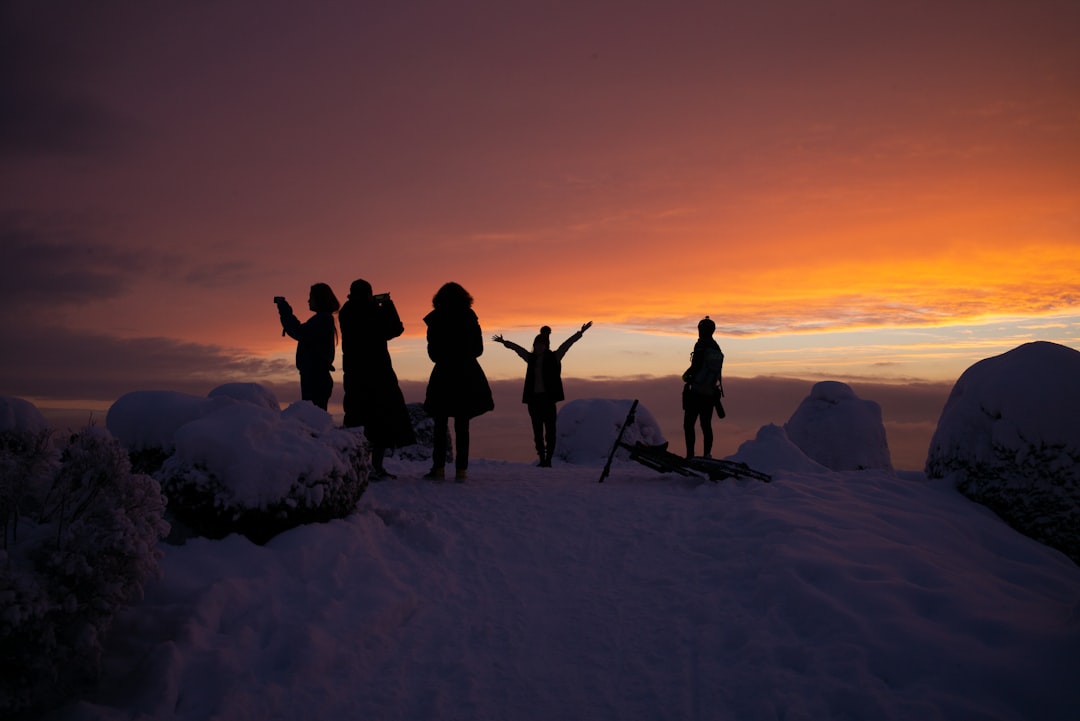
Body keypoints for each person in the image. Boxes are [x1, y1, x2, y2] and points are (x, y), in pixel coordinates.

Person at [338, 279, 416, 480]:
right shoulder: (372, 312)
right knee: (382, 420)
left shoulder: (346, 311)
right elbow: (395, 329)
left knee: (357, 420)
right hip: (379, 373)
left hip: (355, 374)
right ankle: (376, 467)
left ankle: (357, 468)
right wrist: (388, 306)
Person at [492, 321, 592, 466]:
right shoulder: (531, 359)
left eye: (540, 345)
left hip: (548, 400)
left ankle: (549, 459)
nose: (538, 347)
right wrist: (504, 342)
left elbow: (567, 345)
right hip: (534, 401)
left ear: (545, 346)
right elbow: (518, 349)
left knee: (550, 431)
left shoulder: (554, 357)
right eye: (536, 345)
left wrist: (580, 332)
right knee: (537, 432)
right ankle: (542, 458)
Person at [422, 282, 494, 482]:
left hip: (444, 374)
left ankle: (438, 468)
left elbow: (433, 353)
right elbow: (478, 349)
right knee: (463, 424)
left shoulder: (435, 319)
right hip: (466, 374)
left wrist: (447, 356)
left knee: (440, 424)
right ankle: (461, 470)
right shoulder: (470, 317)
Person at [275, 283, 340, 411]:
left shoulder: (322, 319)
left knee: (314, 422)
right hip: (315, 377)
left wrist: (284, 309)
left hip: (316, 378)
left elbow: (299, 332)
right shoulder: (323, 319)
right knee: (314, 419)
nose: (308, 300)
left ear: (320, 299)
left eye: (311, 297)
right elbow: (300, 332)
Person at [681, 315, 725, 459]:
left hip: (696, 392)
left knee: (689, 425)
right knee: (706, 425)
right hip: (710, 393)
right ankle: (707, 455)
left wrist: (685, 377)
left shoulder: (701, 345)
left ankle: (690, 456)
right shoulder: (716, 347)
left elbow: (695, 367)